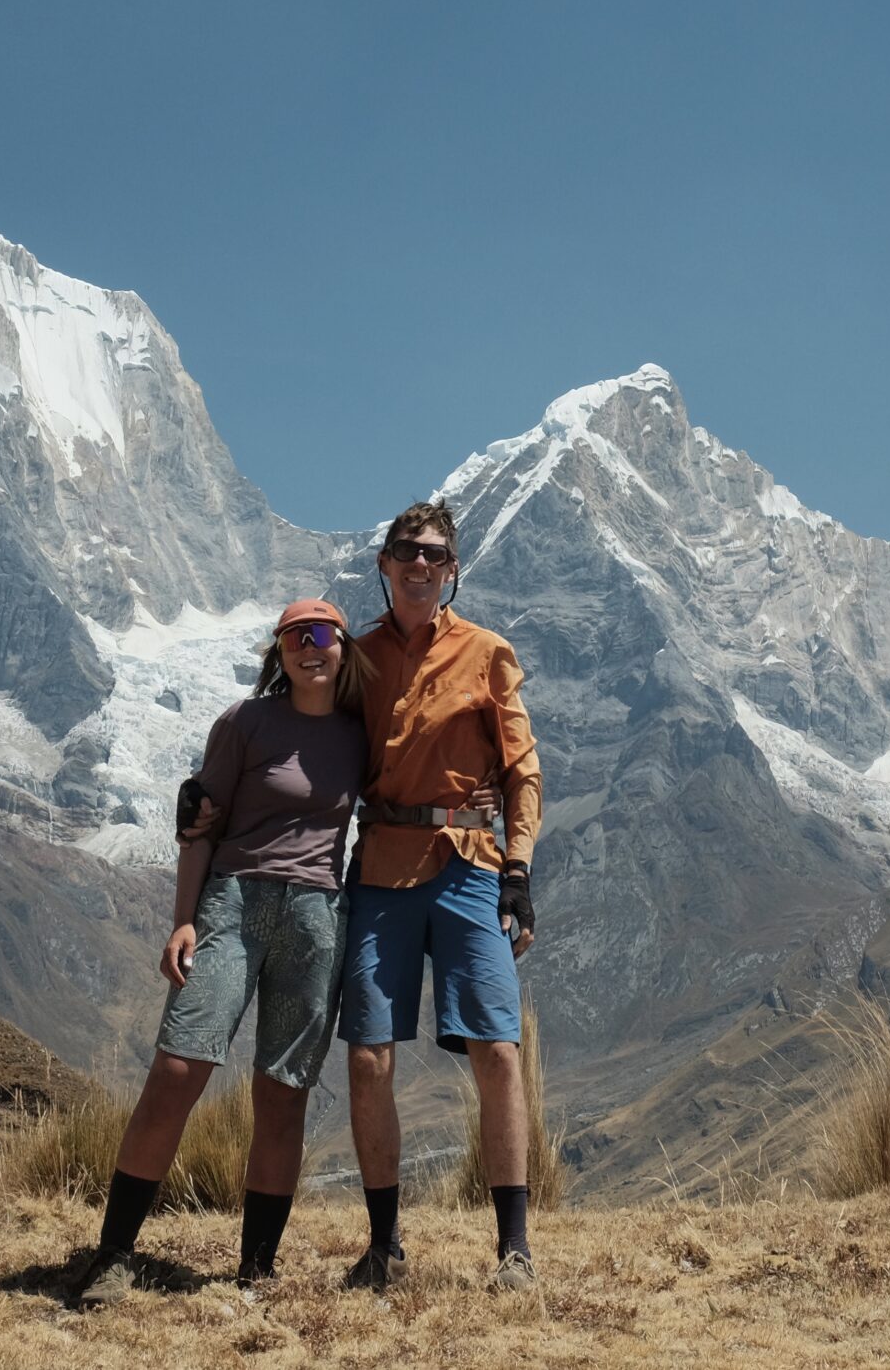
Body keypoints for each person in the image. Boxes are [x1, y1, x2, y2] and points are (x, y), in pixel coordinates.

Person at [71, 598, 369, 1306]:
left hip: (318, 914)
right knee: (179, 1066)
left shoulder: (363, 735)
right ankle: (113, 1253)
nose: (309, 646)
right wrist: (182, 921)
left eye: (321, 633)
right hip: (234, 903)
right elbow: (199, 824)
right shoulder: (245, 722)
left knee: (282, 1092)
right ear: (280, 649)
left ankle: (256, 1270)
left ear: (343, 646)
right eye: (295, 635)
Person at [338, 499, 545, 1293]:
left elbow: (522, 769)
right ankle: (385, 1245)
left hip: (469, 864)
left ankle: (515, 1251)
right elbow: (316, 749)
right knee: (367, 1059)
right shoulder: (356, 657)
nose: (419, 564)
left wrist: (517, 871)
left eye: (433, 553)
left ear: (452, 569)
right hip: (383, 865)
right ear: (384, 565)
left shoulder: (489, 652)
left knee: (497, 1051)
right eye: (404, 551)